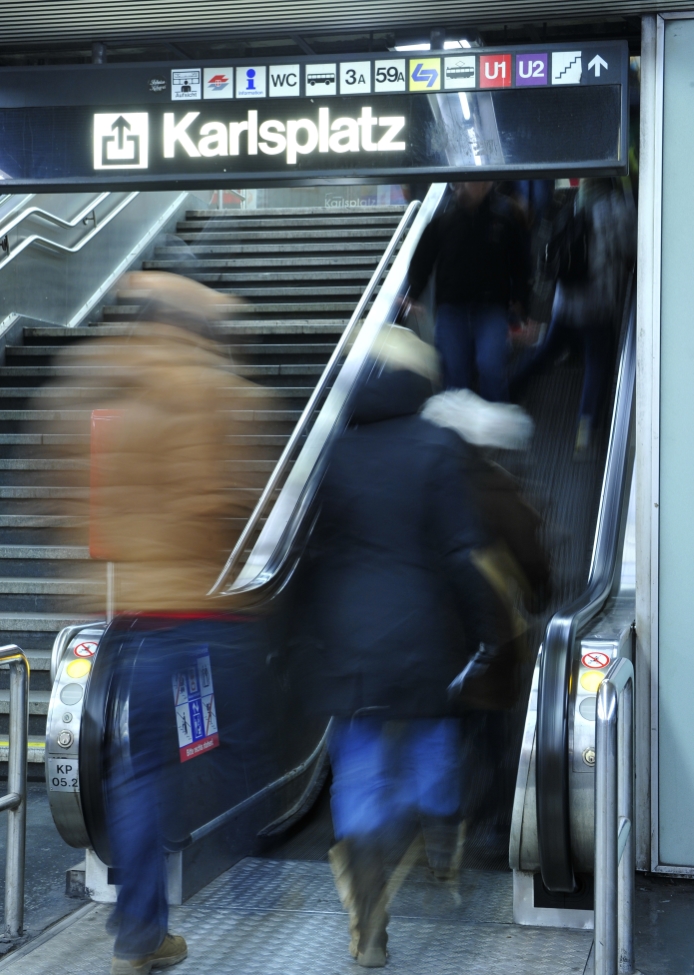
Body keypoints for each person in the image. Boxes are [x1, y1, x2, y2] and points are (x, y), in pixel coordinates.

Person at [55, 272, 271, 975]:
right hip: (205, 617)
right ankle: (248, 858)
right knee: (240, 741)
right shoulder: (217, 387)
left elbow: (62, 477)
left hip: (139, 621)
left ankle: (140, 933)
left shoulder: (101, 380)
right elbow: (234, 499)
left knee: (142, 772)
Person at [296, 327, 502, 967]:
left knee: (357, 776)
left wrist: (308, 636)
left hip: (351, 644)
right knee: (432, 755)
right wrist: (488, 633)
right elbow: (460, 554)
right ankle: (441, 846)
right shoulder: (437, 447)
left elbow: (313, 554)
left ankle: (369, 925)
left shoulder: (336, 453)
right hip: (424, 638)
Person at [510, 178, 637, 451]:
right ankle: (586, 425)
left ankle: (511, 389)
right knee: (597, 363)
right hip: (597, 303)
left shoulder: (575, 205)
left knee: (546, 352)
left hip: (565, 302)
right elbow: (631, 246)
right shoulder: (615, 208)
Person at [407, 181, 531, 401]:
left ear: (484, 185)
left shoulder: (502, 224)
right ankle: (456, 431)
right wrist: (413, 294)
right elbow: (421, 261)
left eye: (465, 182)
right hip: (452, 311)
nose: (458, 187)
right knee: (453, 374)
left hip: (491, 310)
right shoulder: (443, 224)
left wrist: (520, 301)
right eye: (456, 183)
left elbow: (521, 265)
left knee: (491, 368)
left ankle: (492, 428)